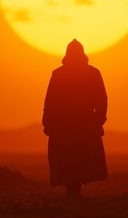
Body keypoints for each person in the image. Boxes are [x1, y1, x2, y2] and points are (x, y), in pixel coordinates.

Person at [42, 39, 108, 198]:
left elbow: (50, 101)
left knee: (70, 156)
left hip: (67, 123)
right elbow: (102, 100)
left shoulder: (58, 74)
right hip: (81, 123)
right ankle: (73, 188)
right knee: (77, 156)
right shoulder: (92, 73)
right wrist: (98, 121)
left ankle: (73, 188)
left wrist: (48, 122)